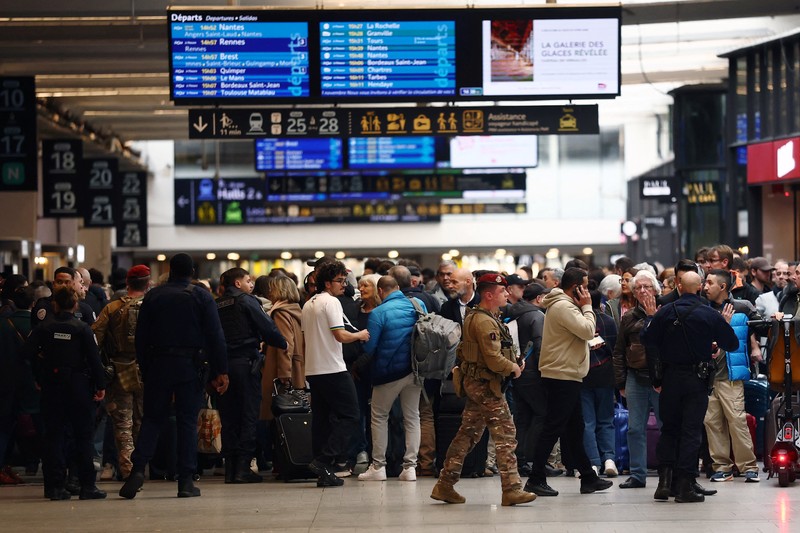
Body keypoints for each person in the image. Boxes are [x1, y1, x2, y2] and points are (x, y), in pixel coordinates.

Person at [119, 253, 229, 499]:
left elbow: (141, 337)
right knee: (187, 422)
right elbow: (215, 335)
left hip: (159, 364)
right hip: (189, 366)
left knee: (152, 419)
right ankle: (186, 481)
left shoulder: (154, 296)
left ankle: (137, 471)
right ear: (191, 271)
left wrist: (147, 367)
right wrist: (221, 370)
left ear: (170, 270)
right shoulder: (201, 296)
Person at [431, 273, 535, 507]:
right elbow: (493, 359)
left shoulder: (481, 316)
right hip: (487, 387)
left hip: (478, 385)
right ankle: (511, 489)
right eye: (502, 291)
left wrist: (513, 362)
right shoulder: (484, 320)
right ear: (489, 294)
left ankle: (445, 484)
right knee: (506, 435)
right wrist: (513, 369)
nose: (507, 294)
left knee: (467, 434)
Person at [641, 271, 738, 503]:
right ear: (699, 287)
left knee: (670, 429)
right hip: (696, 379)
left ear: (679, 286)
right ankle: (685, 484)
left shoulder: (665, 312)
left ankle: (664, 482)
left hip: (670, 379)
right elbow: (731, 344)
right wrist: (722, 325)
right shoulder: (708, 313)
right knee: (691, 431)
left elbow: (647, 339)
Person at [524, 267, 613, 497]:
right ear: (576, 288)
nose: (587, 291)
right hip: (561, 374)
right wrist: (587, 307)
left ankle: (588, 477)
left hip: (567, 372)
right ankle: (535, 478)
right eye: (585, 286)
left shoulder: (563, 304)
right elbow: (587, 330)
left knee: (575, 427)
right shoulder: (564, 306)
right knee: (553, 426)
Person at [22, 286, 107, 500]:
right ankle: (87, 485)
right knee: (83, 436)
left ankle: (54, 487)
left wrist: (38, 375)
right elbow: (94, 360)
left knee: (54, 436)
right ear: (76, 305)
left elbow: (26, 353)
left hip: (52, 384)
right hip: (78, 385)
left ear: (55, 304)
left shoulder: (43, 328)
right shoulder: (82, 329)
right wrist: (100, 385)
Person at [302, 260, 369, 487]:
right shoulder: (331, 303)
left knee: (321, 420)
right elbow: (340, 335)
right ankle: (324, 460)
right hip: (332, 368)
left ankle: (323, 471)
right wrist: (360, 335)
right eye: (340, 280)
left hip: (313, 368)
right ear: (328, 283)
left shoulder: (308, 303)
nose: (344, 284)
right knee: (351, 415)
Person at [216, 267, 287, 484]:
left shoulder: (216, 304)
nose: (251, 284)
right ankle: (243, 469)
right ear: (237, 284)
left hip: (223, 367)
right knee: (248, 415)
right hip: (246, 364)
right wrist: (282, 342)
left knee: (228, 418)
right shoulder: (247, 301)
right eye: (248, 280)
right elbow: (267, 328)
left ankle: (230, 469)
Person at [359, 275, 424, 482]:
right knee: (412, 417)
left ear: (380, 291)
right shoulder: (417, 303)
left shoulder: (378, 313)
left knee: (379, 416)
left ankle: (378, 467)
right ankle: (410, 468)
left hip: (388, 372)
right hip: (415, 370)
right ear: (398, 288)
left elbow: (370, 347)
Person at [702, 269, 764, 483]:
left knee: (737, 421)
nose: (705, 286)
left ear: (723, 286)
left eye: (709, 283)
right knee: (712, 422)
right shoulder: (703, 309)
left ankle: (748, 466)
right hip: (708, 376)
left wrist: (772, 322)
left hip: (731, 375)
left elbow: (761, 327)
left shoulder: (742, 307)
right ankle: (722, 467)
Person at [91, 265, 151, 481]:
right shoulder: (153, 307)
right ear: (148, 283)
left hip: (120, 370)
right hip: (148, 371)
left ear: (127, 284)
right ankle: (141, 467)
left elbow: (94, 339)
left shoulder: (112, 308)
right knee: (143, 421)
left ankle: (128, 470)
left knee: (122, 422)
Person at [612, 270, 662, 489]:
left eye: (647, 287)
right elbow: (619, 350)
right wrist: (621, 382)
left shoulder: (665, 311)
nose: (642, 291)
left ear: (655, 289)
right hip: (635, 376)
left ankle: (668, 470)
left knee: (665, 426)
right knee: (634, 428)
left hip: (660, 378)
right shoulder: (629, 317)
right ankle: (638, 474)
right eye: (638, 287)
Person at [581, 287, 618, 478]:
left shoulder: (580, 321)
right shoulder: (609, 321)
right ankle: (609, 459)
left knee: (587, 421)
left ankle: (593, 463)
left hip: (583, 375)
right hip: (606, 375)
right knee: (606, 420)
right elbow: (615, 349)